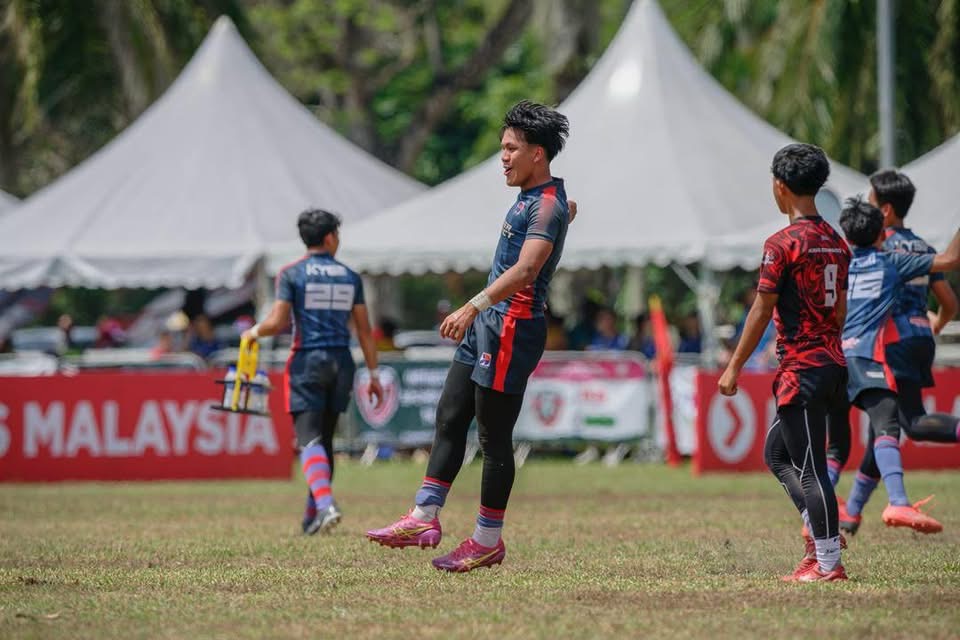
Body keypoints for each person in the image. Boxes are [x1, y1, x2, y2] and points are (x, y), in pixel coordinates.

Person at [366, 100, 571, 572]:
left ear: (537, 154)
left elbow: (527, 269)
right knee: (450, 414)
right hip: (489, 324)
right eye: (503, 148)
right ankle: (423, 516)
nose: (503, 157)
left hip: (511, 327)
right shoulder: (537, 199)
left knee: (493, 437)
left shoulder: (546, 205)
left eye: (511, 148)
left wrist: (471, 305)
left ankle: (487, 540)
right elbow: (557, 220)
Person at [719, 143, 851, 582]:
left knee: (811, 470)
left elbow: (761, 309)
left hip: (803, 370)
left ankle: (828, 562)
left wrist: (733, 367)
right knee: (776, 453)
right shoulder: (837, 241)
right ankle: (820, 537)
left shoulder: (782, 244)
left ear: (780, 187)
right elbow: (840, 310)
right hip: (832, 363)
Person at [831, 170, 960, 535]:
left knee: (905, 422)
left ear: (884, 211)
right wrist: (934, 325)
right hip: (920, 338)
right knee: (886, 424)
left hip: (887, 344)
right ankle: (852, 512)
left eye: (871, 201)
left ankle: (869, 507)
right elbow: (949, 303)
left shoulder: (879, 250)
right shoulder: (921, 246)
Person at [242, 208, 383, 535]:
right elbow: (364, 330)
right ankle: (312, 517)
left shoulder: (292, 273)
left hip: (307, 362)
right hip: (341, 363)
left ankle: (325, 505)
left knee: (309, 440)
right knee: (325, 441)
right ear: (330, 237)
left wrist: (253, 332)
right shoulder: (349, 276)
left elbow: (277, 322)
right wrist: (374, 374)